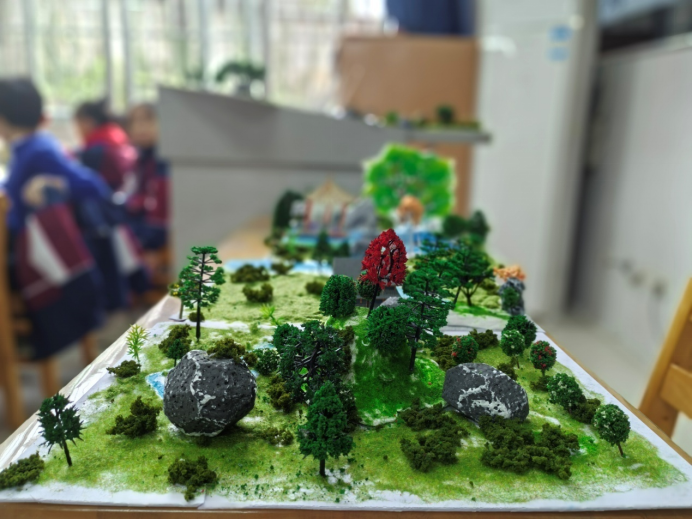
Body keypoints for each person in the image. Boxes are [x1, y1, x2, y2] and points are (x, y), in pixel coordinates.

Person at [0, 78, 107, 360]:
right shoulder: (29, 148)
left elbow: (96, 188)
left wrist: (55, 186)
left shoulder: (37, 150)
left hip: (30, 257)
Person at [72, 99, 149, 311]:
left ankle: (110, 298)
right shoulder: (119, 139)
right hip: (126, 209)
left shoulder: (96, 150)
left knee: (90, 226)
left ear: (87, 122)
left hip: (126, 215)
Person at [126, 103, 169, 252]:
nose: (141, 127)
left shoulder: (166, 161)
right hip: (143, 230)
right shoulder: (140, 159)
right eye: (134, 121)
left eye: (148, 119)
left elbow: (162, 212)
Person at [73, 98, 136, 192]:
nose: (77, 130)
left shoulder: (95, 151)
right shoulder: (115, 133)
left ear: (88, 122)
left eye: (78, 124)